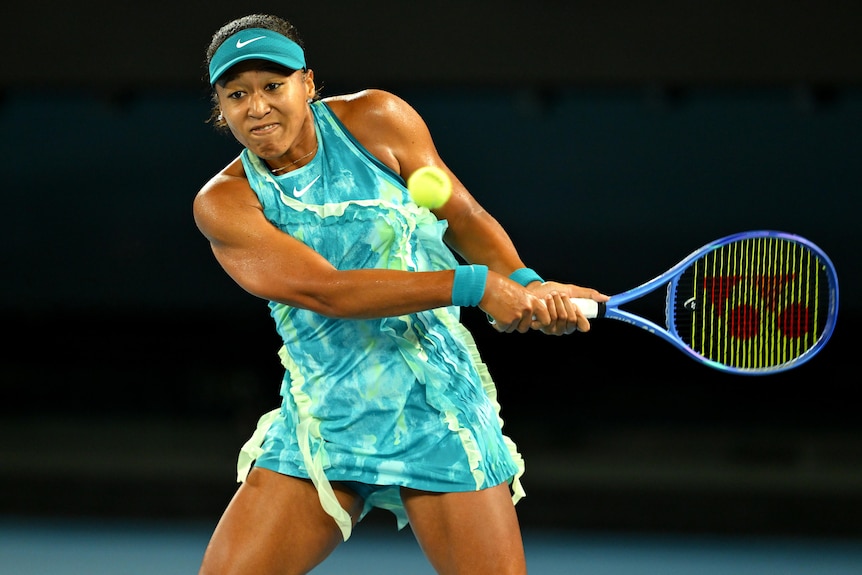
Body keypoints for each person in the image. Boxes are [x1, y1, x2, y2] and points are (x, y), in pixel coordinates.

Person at [193, 13, 608, 575]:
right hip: (325, 418)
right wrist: (480, 286)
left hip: (435, 407)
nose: (258, 107)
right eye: (238, 94)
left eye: (273, 86)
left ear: (307, 84)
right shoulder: (226, 202)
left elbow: (461, 215)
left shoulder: (377, 119)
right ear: (222, 106)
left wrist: (527, 284)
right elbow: (329, 291)